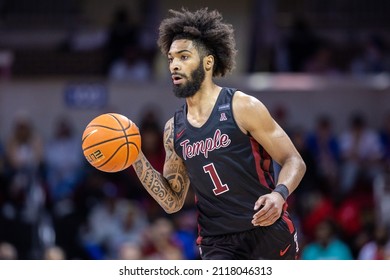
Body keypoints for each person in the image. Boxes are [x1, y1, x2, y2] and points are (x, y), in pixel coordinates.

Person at [131, 8, 306, 260]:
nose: (175, 65)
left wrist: (279, 194)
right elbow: (173, 202)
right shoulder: (173, 129)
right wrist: (135, 157)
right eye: (170, 59)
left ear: (208, 62)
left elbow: (294, 161)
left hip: (266, 228)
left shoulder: (242, 106)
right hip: (217, 242)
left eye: (183, 56)